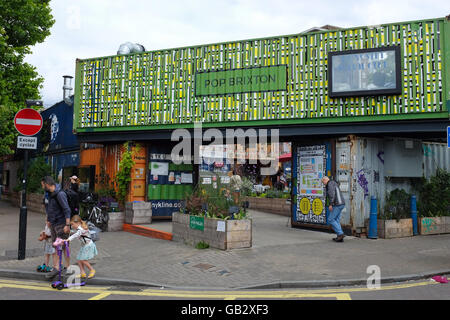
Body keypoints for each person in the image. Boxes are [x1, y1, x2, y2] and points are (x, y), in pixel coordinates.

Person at [41, 176, 72, 280]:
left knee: (64, 247)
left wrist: (67, 225)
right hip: (54, 224)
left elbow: (67, 209)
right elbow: (51, 208)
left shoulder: (60, 194)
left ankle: (68, 267)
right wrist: (49, 220)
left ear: (47, 184)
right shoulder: (51, 194)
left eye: (42, 185)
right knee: (56, 246)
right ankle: (57, 268)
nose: (42, 187)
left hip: (62, 224)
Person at [64, 215, 97, 279]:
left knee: (83, 260)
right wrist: (70, 232)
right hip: (84, 245)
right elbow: (75, 233)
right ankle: (82, 273)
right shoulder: (79, 229)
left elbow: (76, 235)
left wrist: (68, 239)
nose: (72, 226)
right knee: (79, 259)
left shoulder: (82, 230)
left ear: (78, 223)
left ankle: (92, 270)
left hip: (88, 245)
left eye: (73, 224)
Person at [322, 176, 346, 242]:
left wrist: (331, 204)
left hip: (337, 204)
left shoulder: (330, 184)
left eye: (323, 182)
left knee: (331, 219)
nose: (323, 184)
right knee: (336, 220)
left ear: (325, 180)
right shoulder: (334, 183)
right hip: (342, 203)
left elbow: (332, 194)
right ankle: (339, 236)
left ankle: (340, 233)